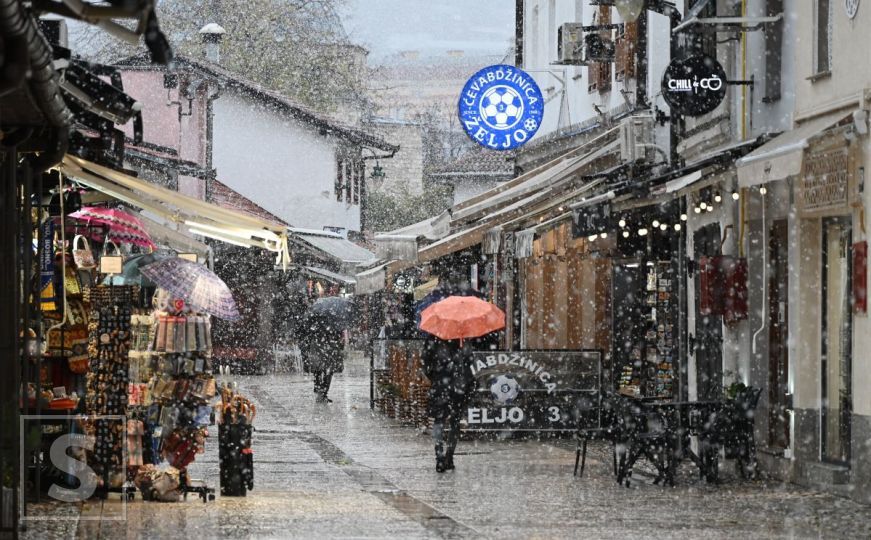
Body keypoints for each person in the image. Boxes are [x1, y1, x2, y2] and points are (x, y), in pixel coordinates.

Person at [421, 337, 474, 473]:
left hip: (440, 386)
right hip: (459, 386)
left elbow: (425, 365)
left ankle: (439, 456)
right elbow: (469, 361)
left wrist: (436, 378)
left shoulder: (432, 339)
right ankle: (449, 457)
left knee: (439, 420)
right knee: (455, 421)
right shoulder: (462, 337)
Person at [299, 317, 344, 403]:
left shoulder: (314, 318)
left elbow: (308, 332)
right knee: (325, 370)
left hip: (322, 345)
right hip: (325, 345)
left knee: (322, 370)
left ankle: (321, 390)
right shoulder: (333, 319)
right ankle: (322, 391)